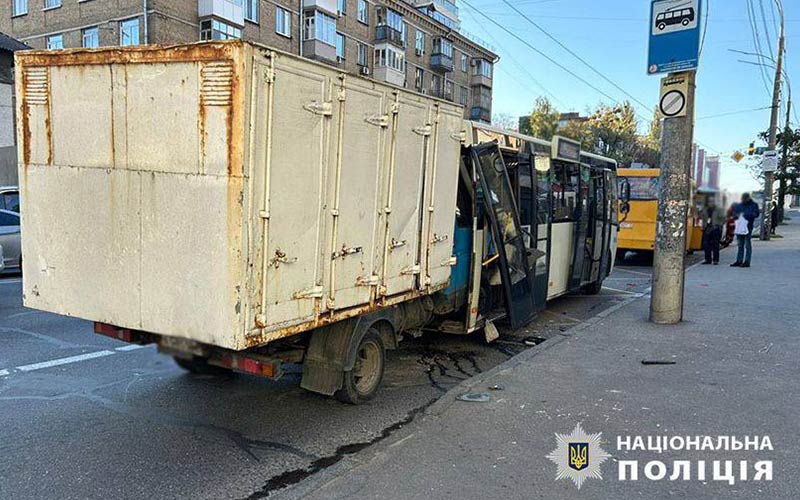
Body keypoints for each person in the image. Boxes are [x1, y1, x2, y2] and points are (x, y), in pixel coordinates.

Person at [731, 193, 760, 268]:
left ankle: (747, 261)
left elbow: (756, 214)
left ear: (748, 198)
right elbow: (734, 214)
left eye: (744, 199)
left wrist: (745, 215)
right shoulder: (740, 205)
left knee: (747, 244)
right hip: (739, 227)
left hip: (748, 226)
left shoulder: (754, 205)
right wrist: (737, 216)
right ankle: (739, 260)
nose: (743, 200)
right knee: (740, 244)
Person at [701, 198, 725, 265]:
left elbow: (723, 218)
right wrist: (703, 225)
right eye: (709, 202)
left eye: (711, 201)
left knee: (715, 245)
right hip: (707, 228)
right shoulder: (705, 209)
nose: (710, 203)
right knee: (706, 245)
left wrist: (719, 225)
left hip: (715, 228)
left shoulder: (718, 209)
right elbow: (702, 218)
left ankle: (715, 260)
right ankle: (708, 259)